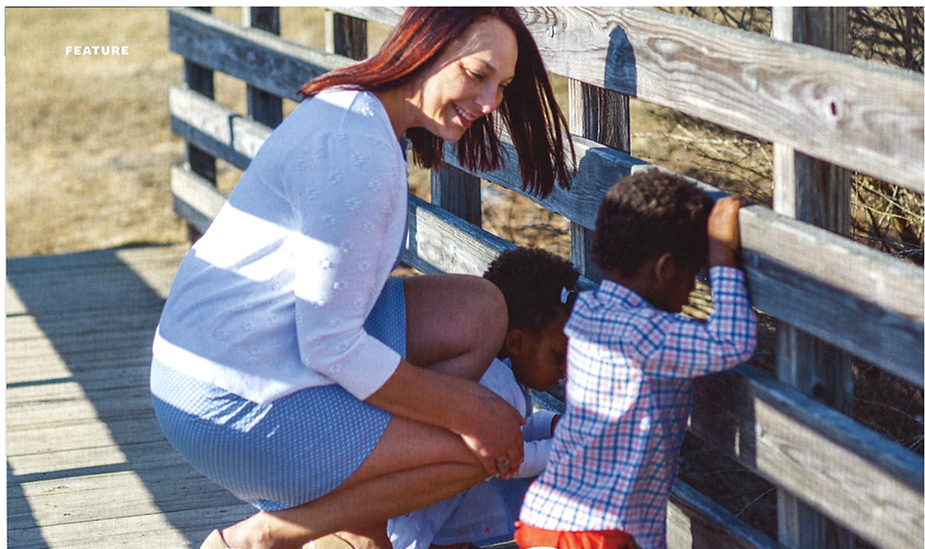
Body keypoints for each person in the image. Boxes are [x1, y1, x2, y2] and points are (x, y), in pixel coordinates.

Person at [149, 7, 574, 549]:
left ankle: (364, 523)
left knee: (479, 310)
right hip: (228, 400)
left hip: (252, 353)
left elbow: (335, 320)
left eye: (502, 86)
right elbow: (329, 344)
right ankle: (270, 536)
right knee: (489, 444)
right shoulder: (354, 148)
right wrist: (470, 412)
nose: (491, 102)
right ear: (427, 47)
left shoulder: (363, 115)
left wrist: (468, 410)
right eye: (477, 74)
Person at [515, 170, 757, 549]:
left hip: (548, 520)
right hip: (597, 534)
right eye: (693, 275)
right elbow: (732, 342)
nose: (692, 289)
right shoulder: (647, 332)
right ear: (664, 269)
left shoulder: (587, 312)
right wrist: (723, 259)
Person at [388, 247, 580, 549]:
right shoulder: (493, 385)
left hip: (428, 518)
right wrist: (564, 448)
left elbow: (513, 433)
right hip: (413, 530)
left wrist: (549, 425)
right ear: (516, 342)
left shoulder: (492, 370)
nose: (565, 370)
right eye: (558, 356)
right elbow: (506, 459)